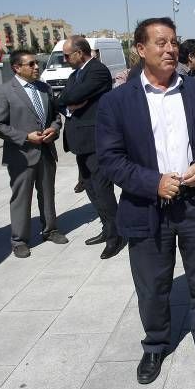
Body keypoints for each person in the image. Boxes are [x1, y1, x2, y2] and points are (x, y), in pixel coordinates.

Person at [96, 17, 195, 385]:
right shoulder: (117, 101)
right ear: (140, 50)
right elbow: (110, 159)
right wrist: (153, 183)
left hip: (194, 204)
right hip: (146, 208)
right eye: (160, 43)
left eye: (173, 42)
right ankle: (156, 344)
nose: (170, 49)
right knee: (152, 284)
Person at [0, 49, 69, 258]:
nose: (37, 67)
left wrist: (54, 128)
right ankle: (19, 240)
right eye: (31, 64)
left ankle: (50, 229)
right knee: (21, 199)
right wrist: (25, 137)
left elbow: (55, 117)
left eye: (36, 63)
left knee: (47, 193)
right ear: (17, 67)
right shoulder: (3, 91)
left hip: (46, 152)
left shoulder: (44, 88)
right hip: (21, 155)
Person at [58, 35, 125, 260]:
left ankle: (117, 235)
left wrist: (69, 99)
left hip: (96, 140)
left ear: (80, 52)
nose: (65, 59)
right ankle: (107, 228)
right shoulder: (73, 75)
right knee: (90, 187)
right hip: (79, 141)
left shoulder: (97, 70)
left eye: (67, 55)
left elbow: (72, 95)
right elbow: (63, 99)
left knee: (102, 188)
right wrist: (70, 103)